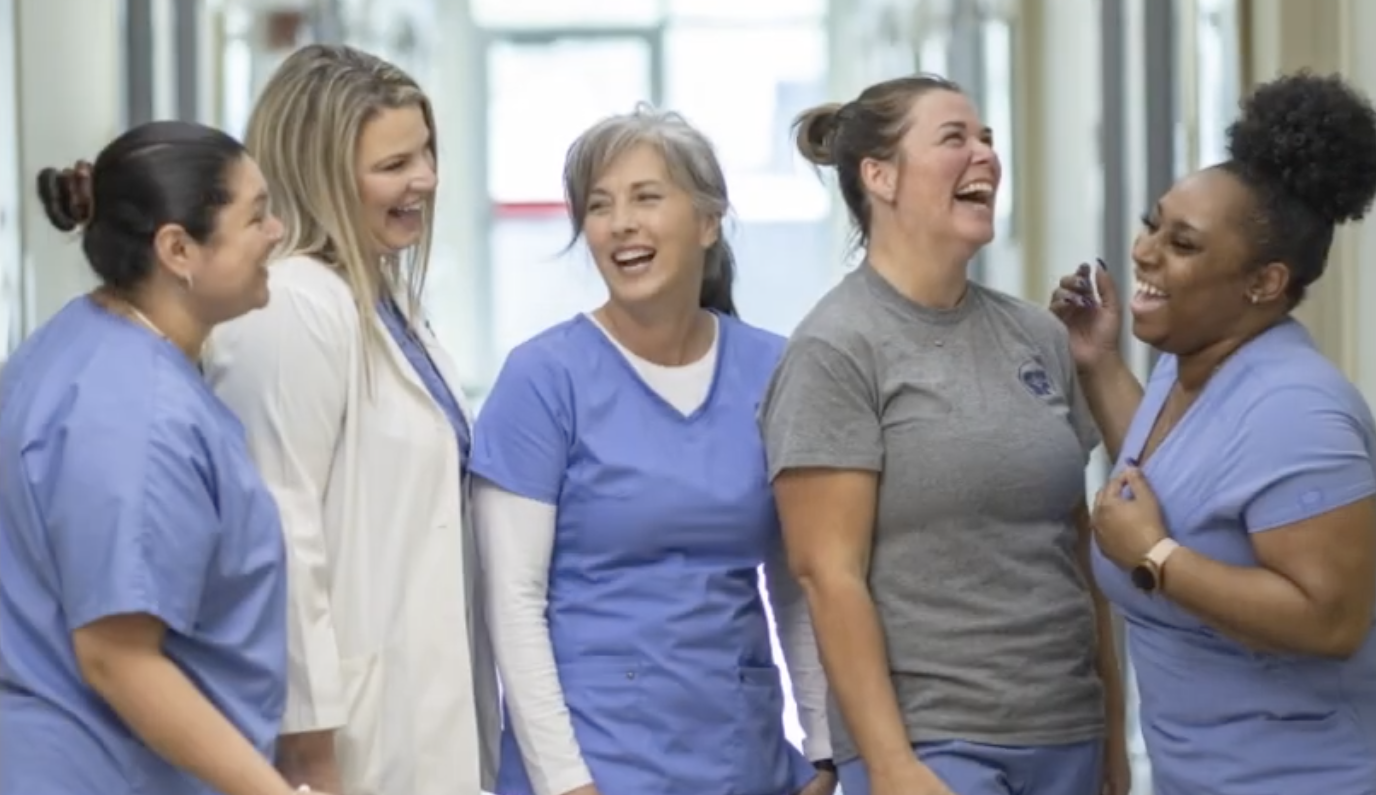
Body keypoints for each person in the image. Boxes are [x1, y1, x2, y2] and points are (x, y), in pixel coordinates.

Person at [758, 74, 1129, 795]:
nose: (985, 156)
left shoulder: (1037, 336)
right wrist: (893, 765)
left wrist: (1112, 731)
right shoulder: (836, 349)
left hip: (1064, 734)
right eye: (954, 139)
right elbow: (827, 577)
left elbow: (1078, 551)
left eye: (987, 138)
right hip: (934, 745)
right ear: (880, 176)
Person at [471, 104, 834, 795]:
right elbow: (513, 603)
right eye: (600, 206)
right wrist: (564, 782)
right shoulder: (543, 380)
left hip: (740, 761)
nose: (620, 224)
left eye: (646, 197)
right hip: (592, 764)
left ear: (707, 221)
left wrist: (822, 749)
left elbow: (799, 577)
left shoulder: (774, 371)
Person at [1052, 71, 1376, 795]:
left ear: (1263, 283)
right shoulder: (1187, 363)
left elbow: (1331, 621)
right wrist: (1099, 362)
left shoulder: (1299, 410)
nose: (1144, 252)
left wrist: (1156, 555)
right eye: (1153, 223)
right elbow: (1177, 475)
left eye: (1184, 244)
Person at [201, 44, 499, 795]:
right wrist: (308, 751)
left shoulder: (379, 294)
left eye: (425, 152)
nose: (425, 179)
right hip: (342, 743)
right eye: (395, 164)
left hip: (418, 707)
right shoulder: (289, 309)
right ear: (319, 175)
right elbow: (278, 536)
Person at [0, 122, 305, 795]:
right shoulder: (137, 414)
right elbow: (117, 659)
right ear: (177, 249)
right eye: (256, 216)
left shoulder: (75, 344)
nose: (277, 232)